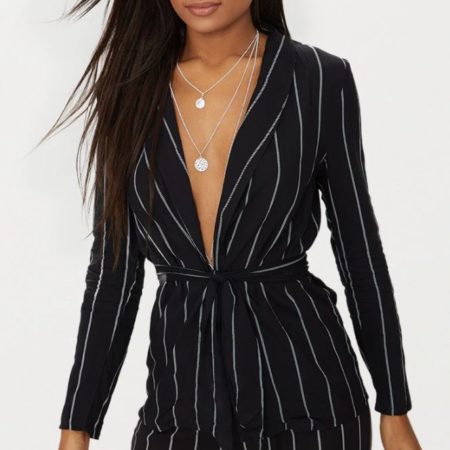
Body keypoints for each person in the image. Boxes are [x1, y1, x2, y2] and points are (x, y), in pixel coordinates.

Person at [49, 1, 422, 449]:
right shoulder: (128, 91)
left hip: (308, 403)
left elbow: (359, 253)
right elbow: (113, 277)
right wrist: (76, 427)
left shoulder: (319, 79)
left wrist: (394, 407)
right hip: (180, 409)